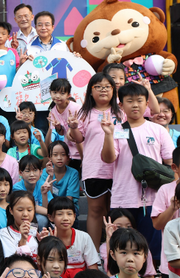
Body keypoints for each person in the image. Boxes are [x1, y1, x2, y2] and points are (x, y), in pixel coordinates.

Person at [101, 82, 174, 261]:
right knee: (122, 245)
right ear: (121, 105)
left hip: (153, 198)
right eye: (130, 101)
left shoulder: (158, 130)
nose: (135, 105)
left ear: (147, 103)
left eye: (140, 100)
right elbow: (108, 158)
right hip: (123, 197)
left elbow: (171, 162)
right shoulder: (116, 130)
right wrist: (108, 134)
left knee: (152, 247)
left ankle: (152, 272)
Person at [69, 72, 121, 250]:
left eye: (107, 86)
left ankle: (116, 251)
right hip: (94, 168)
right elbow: (79, 138)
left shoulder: (121, 111)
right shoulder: (85, 112)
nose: (103, 90)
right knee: (96, 210)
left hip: (119, 169)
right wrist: (73, 127)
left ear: (113, 90)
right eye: (98, 87)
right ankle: (93, 253)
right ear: (90, 91)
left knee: (117, 212)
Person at [152, 145, 180, 276]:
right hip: (171, 266)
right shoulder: (165, 190)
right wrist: (172, 208)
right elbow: (157, 225)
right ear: (175, 168)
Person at [46, 197, 99, 277]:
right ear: (50, 217)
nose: (65, 218)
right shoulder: (47, 238)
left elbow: (93, 268)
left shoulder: (84, 237)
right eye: (60, 214)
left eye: (69, 214)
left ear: (74, 216)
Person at [100, 209, 156, 278]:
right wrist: (110, 238)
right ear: (113, 255)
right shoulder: (105, 247)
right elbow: (111, 271)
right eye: (124, 253)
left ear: (145, 257)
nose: (130, 259)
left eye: (136, 253)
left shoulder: (142, 245)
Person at [48, 78, 82, 170]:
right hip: (69, 152)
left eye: (62, 93)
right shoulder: (53, 111)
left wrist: (72, 129)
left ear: (68, 95)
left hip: (83, 150)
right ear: (50, 92)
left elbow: (83, 131)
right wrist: (58, 128)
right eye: (55, 92)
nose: (57, 96)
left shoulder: (76, 108)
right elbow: (62, 133)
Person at [12, 155, 53, 230]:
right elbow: (29, 207)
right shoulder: (17, 187)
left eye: (35, 170)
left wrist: (44, 194)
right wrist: (52, 213)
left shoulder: (43, 185)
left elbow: (46, 208)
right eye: (27, 171)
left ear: (41, 172)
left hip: (39, 218)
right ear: (21, 173)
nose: (32, 174)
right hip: (22, 217)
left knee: (42, 219)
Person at [0, 190, 39, 259]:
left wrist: (43, 242)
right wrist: (22, 241)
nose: (25, 214)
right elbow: (10, 262)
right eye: (20, 210)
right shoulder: (4, 233)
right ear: (11, 210)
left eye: (29, 210)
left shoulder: (35, 233)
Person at [42, 141, 80, 215]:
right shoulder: (45, 172)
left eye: (63, 154)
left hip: (69, 207)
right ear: (49, 157)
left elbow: (69, 199)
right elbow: (47, 197)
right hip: (50, 206)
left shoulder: (73, 173)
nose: (59, 158)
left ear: (68, 157)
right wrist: (50, 177)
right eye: (55, 155)